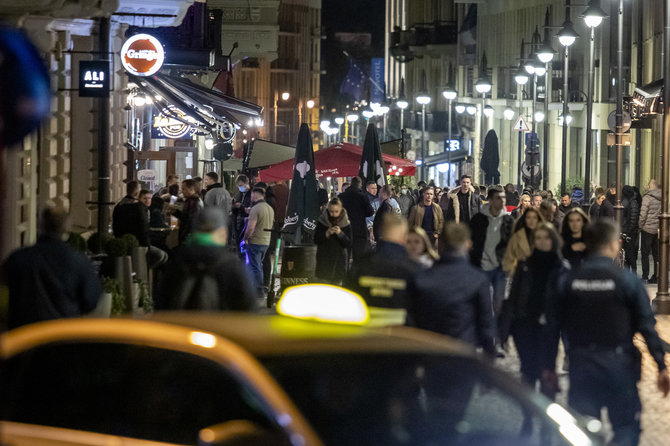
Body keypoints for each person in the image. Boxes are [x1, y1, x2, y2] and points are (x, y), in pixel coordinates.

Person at [547, 220, 670, 446]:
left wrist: (548, 367)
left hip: (582, 365)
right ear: (614, 244)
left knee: (582, 430)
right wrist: (661, 365)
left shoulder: (569, 280)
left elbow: (552, 327)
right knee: (626, 428)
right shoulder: (626, 280)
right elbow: (646, 326)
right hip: (619, 365)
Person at [501, 224, 567, 407]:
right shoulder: (524, 266)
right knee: (528, 372)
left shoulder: (561, 268)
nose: (542, 242)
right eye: (538, 238)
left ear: (552, 240)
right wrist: (506, 329)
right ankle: (528, 417)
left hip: (549, 329)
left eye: (546, 238)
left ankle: (548, 415)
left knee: (547, 370)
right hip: (525, 326)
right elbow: (513, 298)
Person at [2, 207, 101, 329]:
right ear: (67, 228)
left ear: (40, 225)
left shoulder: (19, 258)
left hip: (24, 336)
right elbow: (90, 300)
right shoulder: (78, 261)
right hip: (60, 336)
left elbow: (4, 296)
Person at [408, 222, 496, 356]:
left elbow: (412, 322)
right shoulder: (478, 280)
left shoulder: (421, 279)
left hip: (429, 356)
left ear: (441, 244)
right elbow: (486, 326)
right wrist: (489, 354)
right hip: (463, 355)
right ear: (468, 244)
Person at [155, 207, 257, 311]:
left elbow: (161, 307)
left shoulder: (176, 265)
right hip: (220, 327)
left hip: (183, 326)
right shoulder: (234, 269)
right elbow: (249, 313)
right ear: (223, 233)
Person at [346, 214, 419, 323]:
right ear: (404, 236)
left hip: (364, 331)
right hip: (401, 333)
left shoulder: (362, 263)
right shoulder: (413, 269)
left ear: (380, 232)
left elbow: (350, 299)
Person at [469, 186, 514, 313]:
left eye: (504, 197)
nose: (502, 201)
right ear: (490, 200)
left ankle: (498, 329)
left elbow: (511, 242)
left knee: (499, 300)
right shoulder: (478, 219)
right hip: (481, 265)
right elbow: (471, 239)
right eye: (498, 198)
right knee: (482, 300)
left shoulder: (508, 220)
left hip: (500, 267)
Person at [242, 187, 274, 297]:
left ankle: (259, 290)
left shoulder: (256, 209)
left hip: (255, 240)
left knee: (255, 266)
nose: (251, 198)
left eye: (251, 195)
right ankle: (259, 287)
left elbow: (251, 228)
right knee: (259, 264)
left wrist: (245, 238)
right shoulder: (269, 208)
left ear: (255, 195)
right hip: (266, 241)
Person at [314, 197, 352, 284]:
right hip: (324, 261)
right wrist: (326, 234)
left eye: (336, 211)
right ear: (328, 210)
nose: (333, 214)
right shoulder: (322, 222)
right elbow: (316, 240)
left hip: (339, 262)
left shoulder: (345, 223)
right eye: (331, 211)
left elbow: (348, 243)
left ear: (341, 210)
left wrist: (340, 233)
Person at [339, 176, 374, 263]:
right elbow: (370, 212)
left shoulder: (341, 196)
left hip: (344, 230)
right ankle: (355, 275)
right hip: (359, 231)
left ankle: (344, 274)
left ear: (351, 184)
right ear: (360, 185)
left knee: (344, 257)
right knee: (358, 258)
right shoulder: (363, 197)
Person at [502, 207, 544, 275]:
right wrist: (515, 272)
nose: (532, 221)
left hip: (540, 275)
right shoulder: (517, 237)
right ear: (524, 219)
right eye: (528, 218)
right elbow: (508, 258)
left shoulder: (545, 236)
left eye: (534, 218)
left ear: (538, 219)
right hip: (521, 275)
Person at [639, 179, 661, 283]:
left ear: (651, 186)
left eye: (648, 184)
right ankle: (656, 276)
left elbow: (643, 214)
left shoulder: (647, 198)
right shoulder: (662, 197)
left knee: (645, 254)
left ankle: (645, 276)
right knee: (657, 254)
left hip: (647, 229)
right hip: (658, 230)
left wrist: (640, 226)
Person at [171, 179, 203, 244]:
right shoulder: (191, 200)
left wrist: (185, 237)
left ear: (191, 189)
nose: (182, 191)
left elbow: (191, 221)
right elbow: (185, 217)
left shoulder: (193, 201)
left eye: (184, 189)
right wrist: (175, 212)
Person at [622, 185, 640, 272]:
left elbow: (633, 219)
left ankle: (632, 273)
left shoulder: (632, 202)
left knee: (630, 254)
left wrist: (628, 231)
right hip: (629, 231)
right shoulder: (631, 202)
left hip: (630, 232)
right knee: (627, 254)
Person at [232, 174, 252, 246]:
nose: (240, 187)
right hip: (237, 223)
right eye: (238, 186)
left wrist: (241, 207)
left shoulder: (251, 194)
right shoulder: (239, 194)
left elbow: (250, 210)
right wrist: (234, 206)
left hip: (245, 224)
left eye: (241, 185)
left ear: (247, 182)